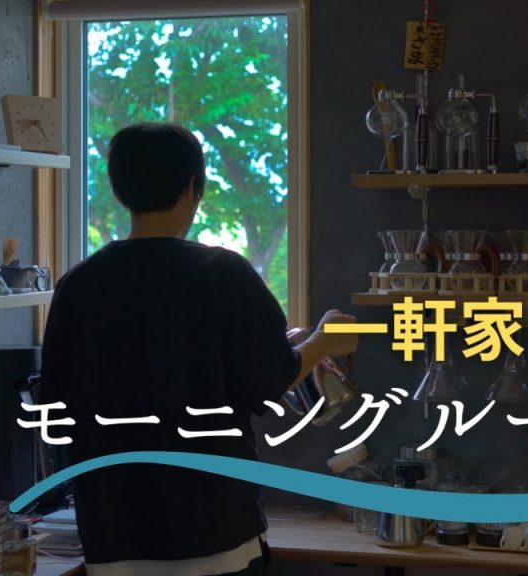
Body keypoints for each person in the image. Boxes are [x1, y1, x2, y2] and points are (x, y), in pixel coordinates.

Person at [41, 122, 359, 575]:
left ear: (119, 189)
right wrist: (325, 339)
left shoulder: (77, 285)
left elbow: (56, 403)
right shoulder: (223, 272)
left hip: (113, 534)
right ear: (193, 186)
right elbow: (270, 379)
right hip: (214, 530)